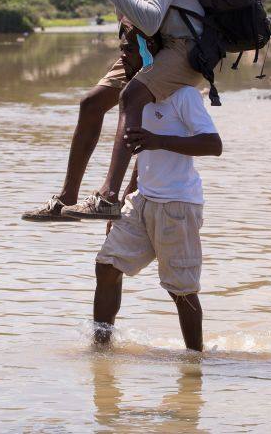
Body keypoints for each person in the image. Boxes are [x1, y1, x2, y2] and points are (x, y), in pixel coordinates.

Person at [61, 0, 207, 221]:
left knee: (131, 98)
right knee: (91, 103)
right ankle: (66, 198)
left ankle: (110, 197)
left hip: (186, 49)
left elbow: (151, 19)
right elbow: (131, 25)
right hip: (153, 47)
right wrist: (131, 55)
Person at [91, 27, 221, 352]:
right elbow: (141, 154)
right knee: (106, 267)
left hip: (177, 205)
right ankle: (101, 349)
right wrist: (123, 201)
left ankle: (195, 363)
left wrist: (160, 140)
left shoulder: (184, 94)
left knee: (182, 291)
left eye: (128, 50)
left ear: (151, 50)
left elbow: (213, 144)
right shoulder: (138, 97)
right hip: (142, 200)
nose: (123, 57)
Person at [20, 16, 157, 222]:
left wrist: (132, 189)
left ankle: (117, 196)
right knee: (91, 103)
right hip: (135, 46)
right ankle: (67, 197)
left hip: (166, 50)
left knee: (141, 107)